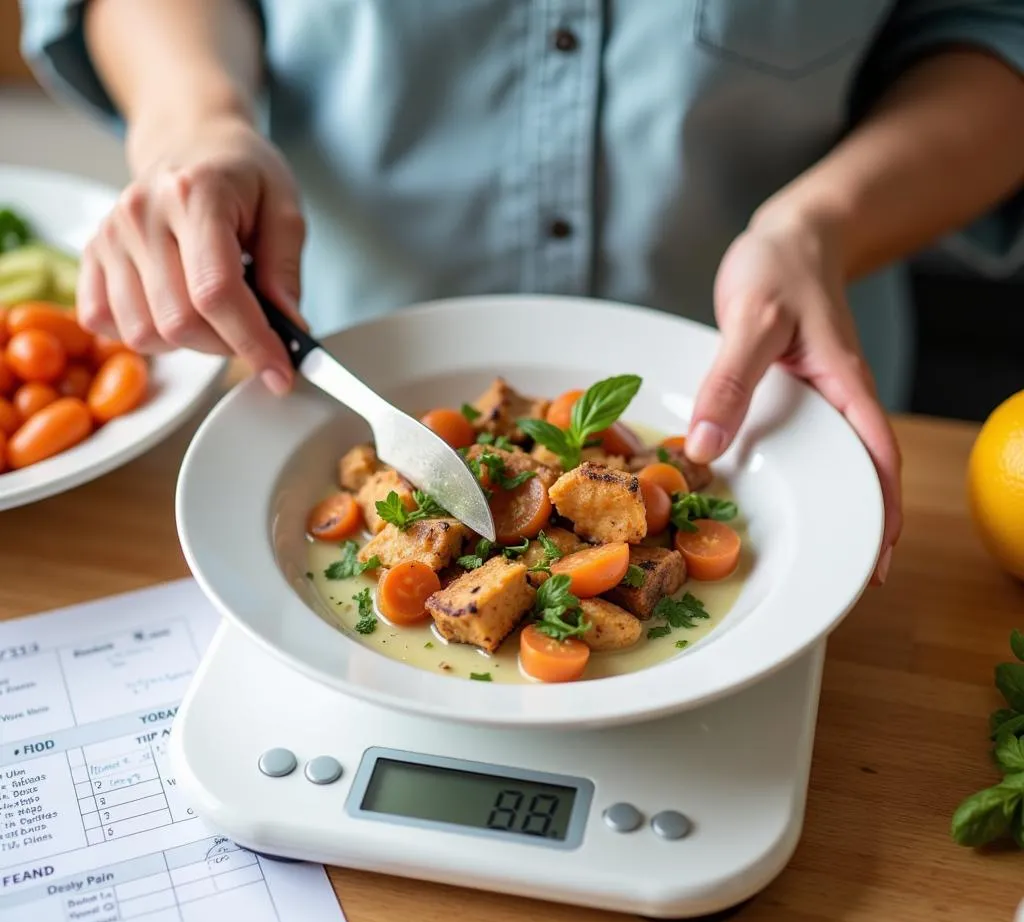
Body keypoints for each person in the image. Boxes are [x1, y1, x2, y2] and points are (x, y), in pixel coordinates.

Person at [17, 0, 1024, 585]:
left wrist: (825, 220)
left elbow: (993, 23)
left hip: (772, 387)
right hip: (327, 344)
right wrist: (196, 122)